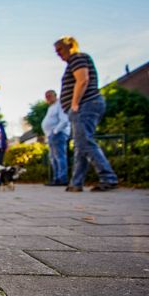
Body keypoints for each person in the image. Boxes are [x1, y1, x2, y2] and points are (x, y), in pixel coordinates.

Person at [54, 36, 118, 192]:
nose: (58, 54)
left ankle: (108, 177)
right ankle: (76, 182)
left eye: (60, 49)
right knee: (80, 144)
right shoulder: (74, 61)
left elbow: (82, 80)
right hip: (83, 106)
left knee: (84, 142)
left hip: (85, 104)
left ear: (70, 46)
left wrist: (75, 103)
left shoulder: (78, 57)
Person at [41, 90, 70, 186]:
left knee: (59, 156)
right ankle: (56, 178)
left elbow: (64, 120)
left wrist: (55, 131)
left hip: (58, 134)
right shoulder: (51, 107)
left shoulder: (60, 105)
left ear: (55, 95)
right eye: (46, 96)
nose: (48, 98)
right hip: (51, 135)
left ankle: (62, 178)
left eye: (49, 96)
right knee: (53, 158)